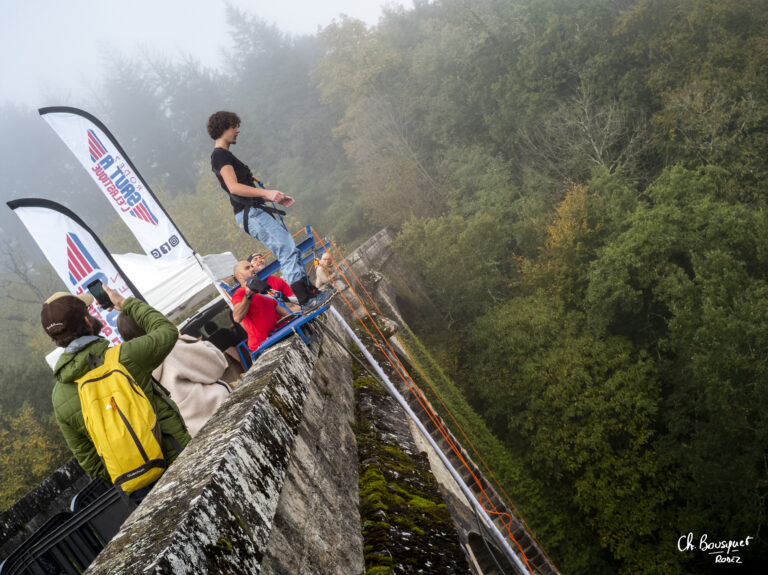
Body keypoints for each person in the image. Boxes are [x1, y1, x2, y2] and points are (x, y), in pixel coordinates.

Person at [42, 288, 190, 503]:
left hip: (137, 487)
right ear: (87, 320)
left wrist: (127, 465)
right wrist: (124, 303)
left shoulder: (59, 396)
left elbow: (87, 458)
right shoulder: (125, 356)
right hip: (178, 459)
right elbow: (166, 331)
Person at [207, 110, 328, 308]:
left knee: (291, 249)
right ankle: (304, 300)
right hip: (250, 213)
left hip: (255, 210)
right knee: (286, 250)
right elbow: (234, 187)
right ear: (222, 128)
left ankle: (308, 291)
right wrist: (268, 193)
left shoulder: (224, 155)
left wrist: (272, 197)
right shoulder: (219, 156)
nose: (238, 130)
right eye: (233, 126)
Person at [117, 314, 231, 438]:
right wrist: (181, 339)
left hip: (195, 433)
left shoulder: (136, 371)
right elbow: (217, 365)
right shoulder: (170, 349)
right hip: (222, 414)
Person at [232, 260, 291, 351]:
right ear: (239, 276)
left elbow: (281, 310)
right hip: (262, 345)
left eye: (252, 266)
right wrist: (248, 295)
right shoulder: (239, 293)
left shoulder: (263, 290)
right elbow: (237, 317)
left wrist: (299, 313)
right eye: (247, 268)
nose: (252, 269)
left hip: (275, 336)